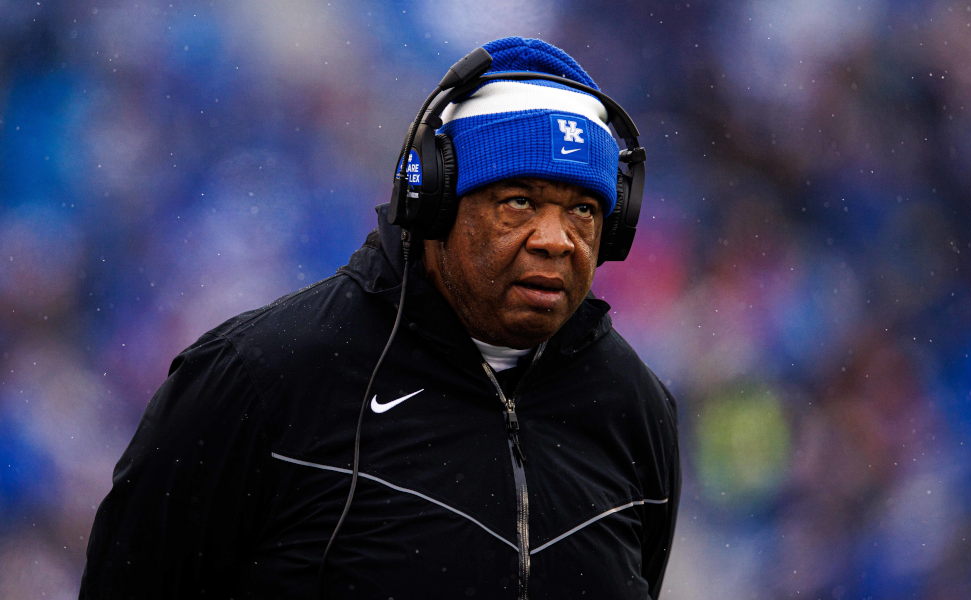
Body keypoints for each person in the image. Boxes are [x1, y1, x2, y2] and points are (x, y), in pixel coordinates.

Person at [80, 37, 680, 599]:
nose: (556, 240)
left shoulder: (634, 407)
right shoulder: (258, 377)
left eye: (582, 209)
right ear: (435, 203)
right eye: (518, 201)